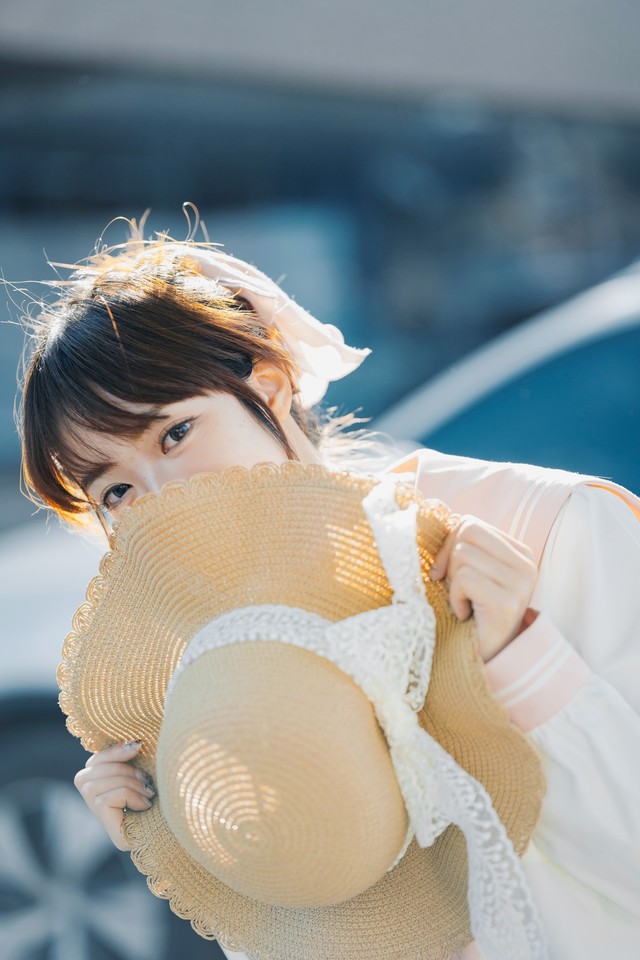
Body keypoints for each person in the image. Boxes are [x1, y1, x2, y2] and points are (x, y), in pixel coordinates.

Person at [18, 228, 640, 959]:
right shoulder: (211, 667)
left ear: (270, 389)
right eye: (115, 489)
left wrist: (519, 662)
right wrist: (189, 833)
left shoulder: (544, 530)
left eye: (177, 433)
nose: (159, 499)